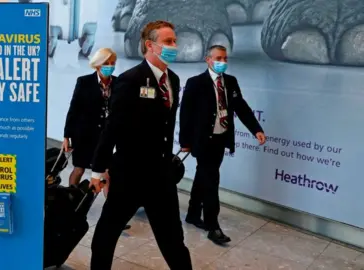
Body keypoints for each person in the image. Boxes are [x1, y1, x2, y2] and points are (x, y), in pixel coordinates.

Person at [88, 20, 193, 270]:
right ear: (150, 45)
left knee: (173, 240)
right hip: (129, 175)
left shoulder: (173, 80)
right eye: (168, 42)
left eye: (174, 41)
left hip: (161, 177)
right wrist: (97, 171)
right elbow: (111, 129)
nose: (174, 46)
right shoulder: (130, 80)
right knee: (106, 235)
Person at [179, 45, 267, 245]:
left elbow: (241, 108)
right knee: (211, 181)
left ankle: (193, 213)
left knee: (204, 175)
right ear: (208, 60)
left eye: (225, 58)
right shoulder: (196, 83)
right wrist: (185, 142)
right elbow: (186, 114)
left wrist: (256, 129)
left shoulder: (230, 82)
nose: (222, 62)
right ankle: (213, 226)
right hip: (203, 141)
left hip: (221, 138)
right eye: (218, 58)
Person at [63, 48, 131, 230]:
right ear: (97, 63)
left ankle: (112, 214)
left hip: (106, 137)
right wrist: (66, 136)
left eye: (112, 63)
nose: (109, 67)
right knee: (79, 169)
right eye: (106, 63)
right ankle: (72, 201)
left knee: (107, 174)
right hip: (84, 134)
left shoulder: (118, 83)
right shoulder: (84, 82)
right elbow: (74, 110)